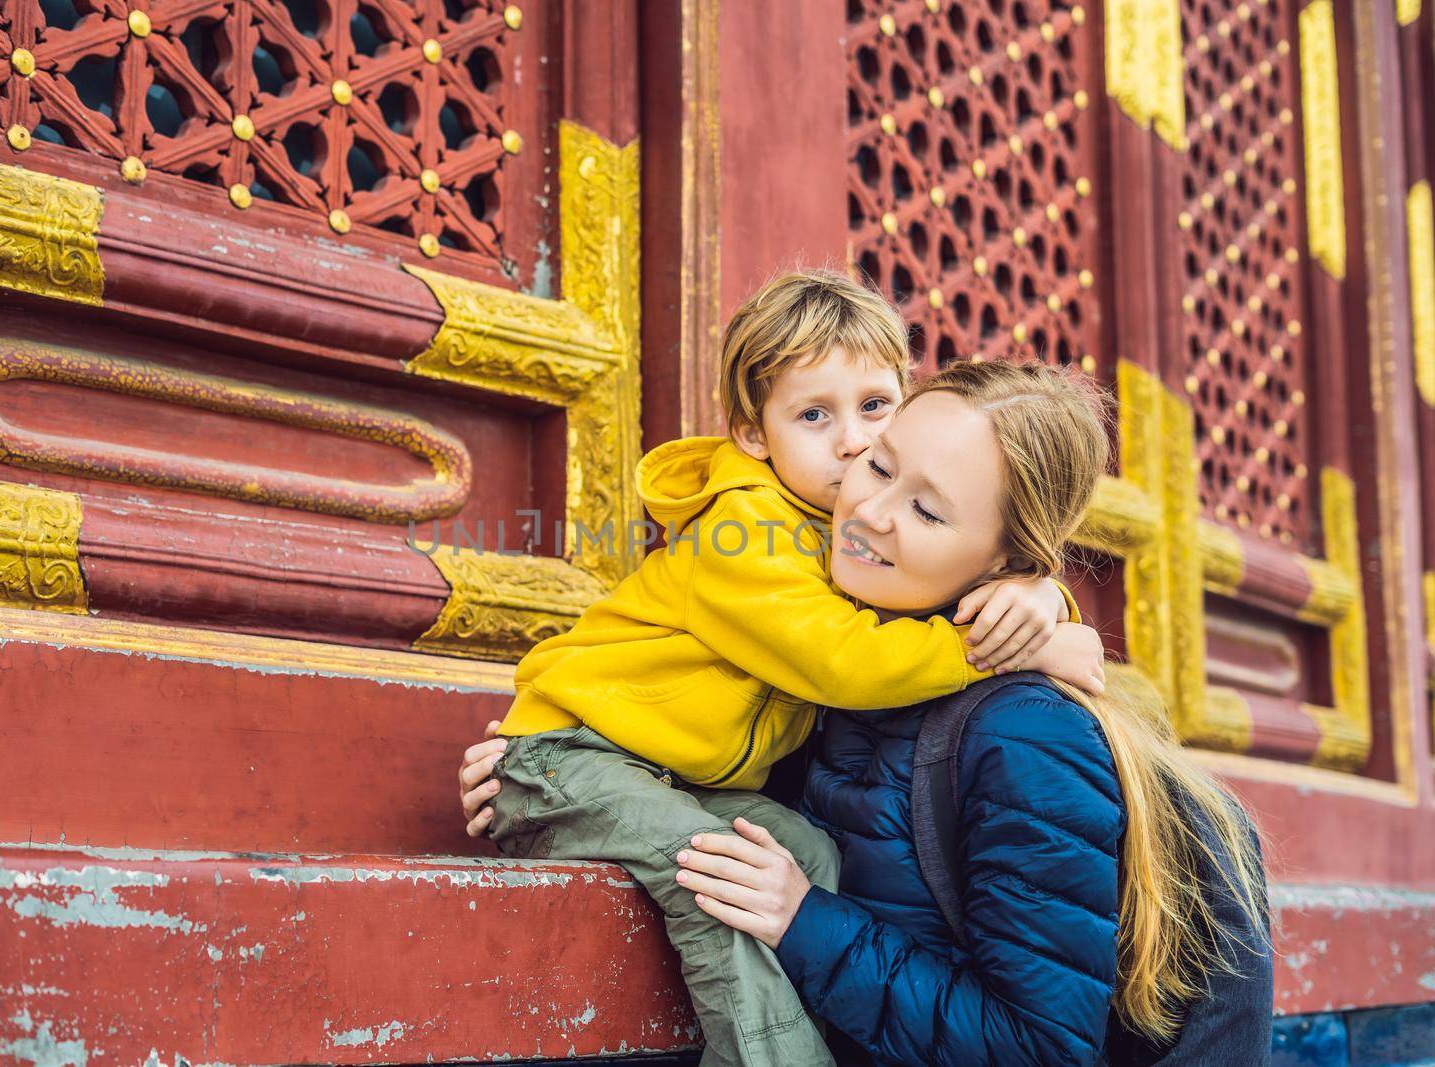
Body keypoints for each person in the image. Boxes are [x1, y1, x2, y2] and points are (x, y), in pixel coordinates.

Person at [477, 273, 1108, 1067]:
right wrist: (1009, 642)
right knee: (718, 880)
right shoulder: (743, 531)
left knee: (813, 860)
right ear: (751, 433)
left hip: (672, 774)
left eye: (875, 410)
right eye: (815, 415)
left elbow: (953, 588)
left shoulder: (834, 531)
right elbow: (844, 658)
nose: (852, 444)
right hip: (577, 757)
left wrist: (1041, 600)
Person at [661, 360, 1273, 1064]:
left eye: (927, 511)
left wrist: (805, 920)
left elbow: (1039, 1047)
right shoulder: (816, 644)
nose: (872, 514)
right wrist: (551, 754)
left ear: (1002, 561)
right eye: (879, 466)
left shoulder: (1022, 735)